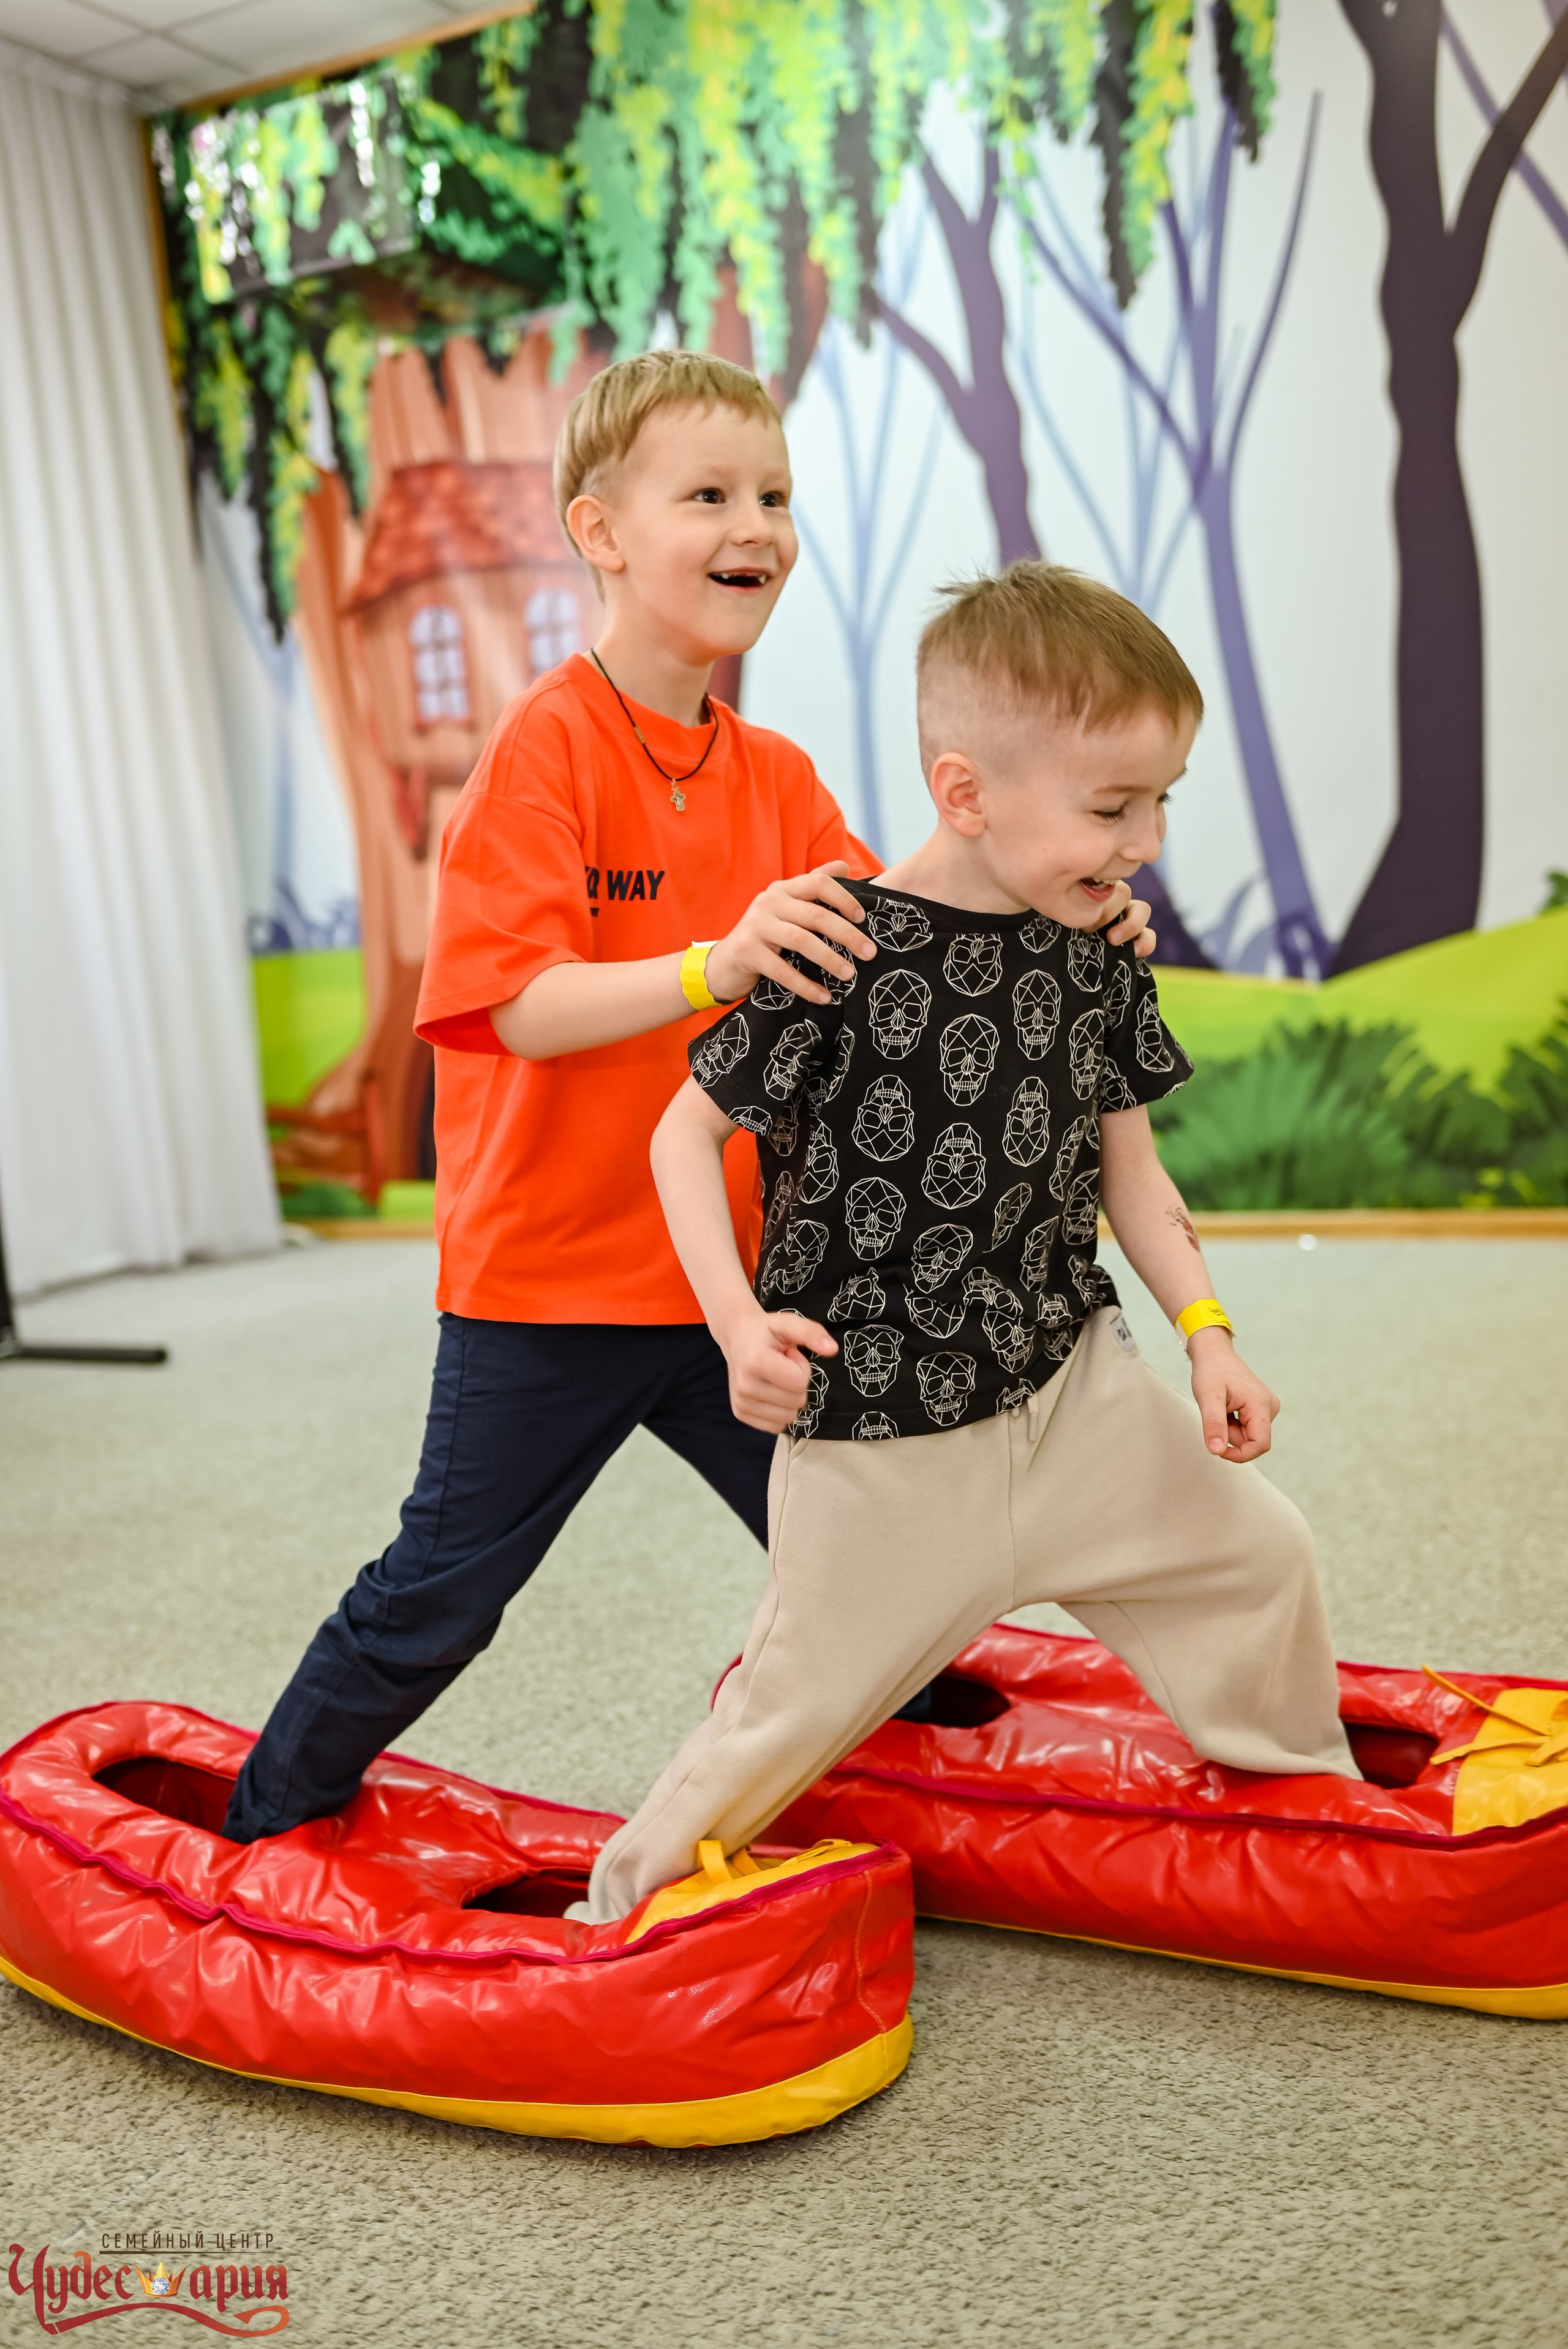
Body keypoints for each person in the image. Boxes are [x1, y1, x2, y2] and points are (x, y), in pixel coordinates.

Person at [222, 357, 1155, 1841]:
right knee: (443, 1591)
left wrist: (1073, 901)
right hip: (548, 1289)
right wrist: (712, 963)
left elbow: (911, 935)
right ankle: (261, 1825)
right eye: (709, 494)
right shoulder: (543, 747)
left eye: (773, 494)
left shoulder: (774, 775)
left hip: (740, 1289)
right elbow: (514, 1003)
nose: (755, 525)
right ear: (598, 532)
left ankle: (934, 1761)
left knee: (873, 1540)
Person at [583, 561, 1359, 1921]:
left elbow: (1132, 1173)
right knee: (787, 1709)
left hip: (1073, 1391)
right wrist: (735, 1324)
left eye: (1162, 800)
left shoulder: (1096, 948)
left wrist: (1208, 1335)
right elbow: (679, 1137)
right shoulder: (836, 946)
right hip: (881, 1432)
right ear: (965, 792)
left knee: (1262, 1558)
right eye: (1111, 808)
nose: (1145, 841)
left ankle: (1310, 1808)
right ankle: (624, 1909)